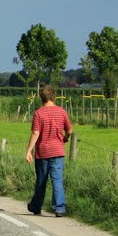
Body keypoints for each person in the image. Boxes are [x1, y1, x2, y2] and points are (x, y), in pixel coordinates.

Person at [25, 85, 73, 217]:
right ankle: (60, 208)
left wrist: (29, 151)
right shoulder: (61, 111)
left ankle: (36, 206)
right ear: (53, 97)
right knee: (57, 180)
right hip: (58, 151)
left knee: (41, 180)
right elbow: (69, 130)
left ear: (42, 98)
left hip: (43, 152)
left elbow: (35, 133)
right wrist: (65, 138)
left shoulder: (38, 113)